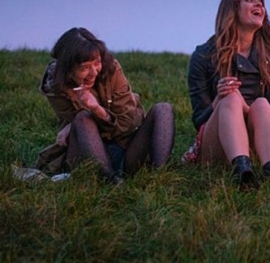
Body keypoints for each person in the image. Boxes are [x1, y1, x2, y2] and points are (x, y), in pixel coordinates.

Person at [37, 28, 175, 183]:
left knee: (163, 109)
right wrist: (78, 119)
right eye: (84, 68)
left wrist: (97, 109)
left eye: (97, 63)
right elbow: (81, 129)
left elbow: (126, 124)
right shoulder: (56, 85)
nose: (93, 72)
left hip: (125, 145)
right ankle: (110, 180)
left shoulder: (111, 68)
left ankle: (159, 175)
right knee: (82, 117)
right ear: (68, 70)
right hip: (87, 152)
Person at [187, 0, 270, 190]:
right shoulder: (204, 55)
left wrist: (247, 108)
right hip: (219, 143)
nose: (259, 4)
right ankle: (242, 170)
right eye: (249, 0)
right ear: (231, 9)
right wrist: (219, 100)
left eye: (260, 2)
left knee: (262, 104)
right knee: (231, 97)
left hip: (262, 143)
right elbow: (199, 121)